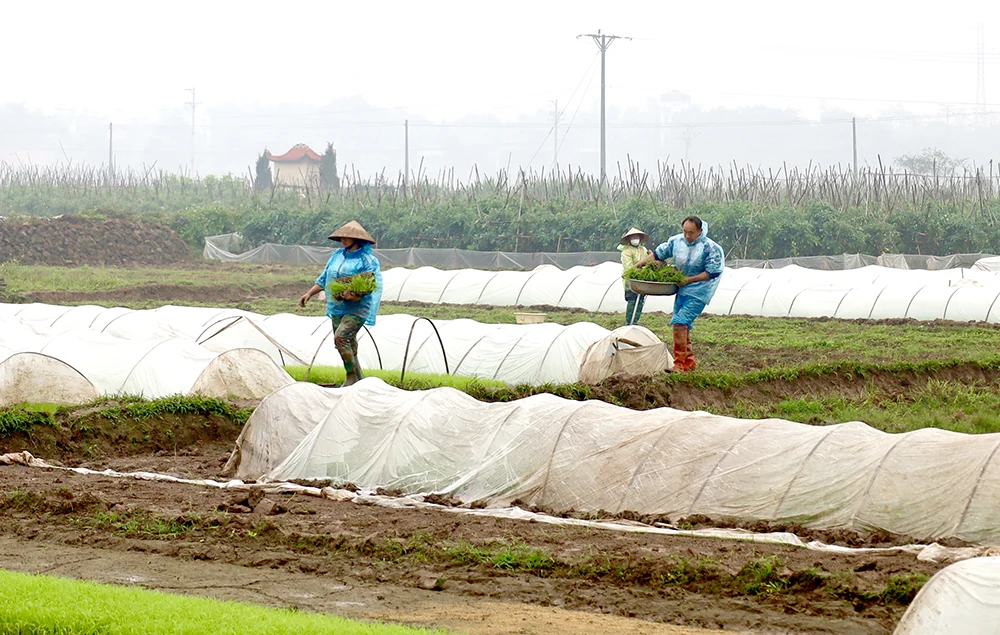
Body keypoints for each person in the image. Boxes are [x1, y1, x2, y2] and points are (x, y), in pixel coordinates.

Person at [634, 216, 724, 372]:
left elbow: (712, 272)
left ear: (700, 231)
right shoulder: (676, 241)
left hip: (700, 290)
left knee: (680, 321)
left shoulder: (710, 247)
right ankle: (689, 363)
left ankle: (680, 363)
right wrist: (637, 266)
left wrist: (689, 280)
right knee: (683, 325)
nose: (687, 236)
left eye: (691, 233)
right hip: (682, 288)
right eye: (685, 232)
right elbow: (658, 254)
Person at [299, 220, 383, 387]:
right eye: (342, 237)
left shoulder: (367, 260)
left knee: (341, 338)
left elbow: (369, 283)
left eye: (347, 237)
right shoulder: (337, 256)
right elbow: (325, 278)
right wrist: (309, 293)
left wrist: (355, 295)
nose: (343, 240)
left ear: (356, 239)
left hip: (357, 308)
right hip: (337, 307)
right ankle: (360, 381)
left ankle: (350, 376)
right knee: (349, 344)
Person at [618, 227, 651, 325]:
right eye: (633, 238)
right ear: (629, 239)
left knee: (640, 300)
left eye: (637, 237)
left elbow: (648, 261)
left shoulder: (643, 249)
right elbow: (628, 267)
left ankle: (635, 321)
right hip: (631, 279)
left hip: (642, 279)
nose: (635, 239)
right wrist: (640, 268)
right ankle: (629, 322)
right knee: (632, 300)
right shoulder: (626, 252)